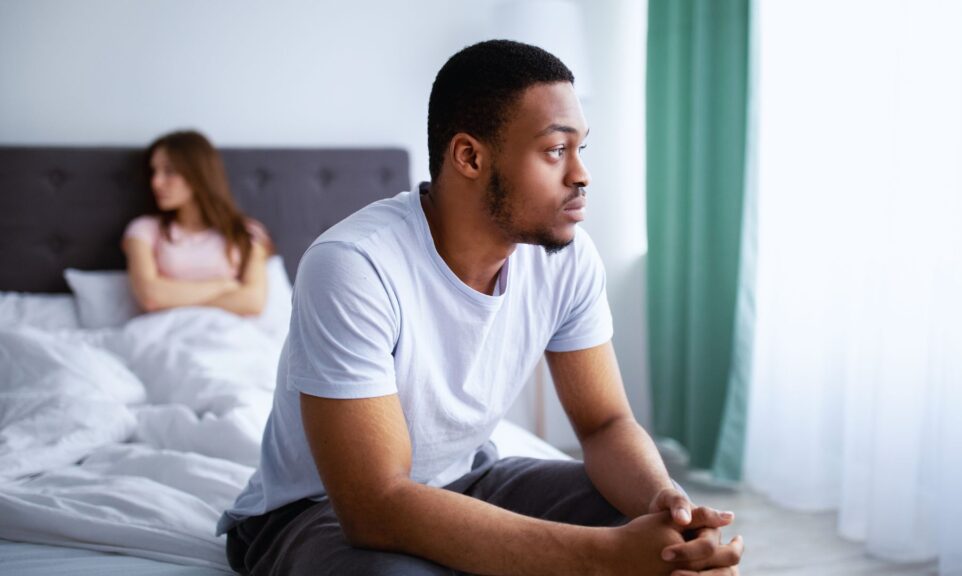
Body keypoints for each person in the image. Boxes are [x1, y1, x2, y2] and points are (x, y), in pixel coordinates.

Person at [218, 40, 744, 575]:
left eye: (582, 149)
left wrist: (666, 506)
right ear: (470, 156)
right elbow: (374, 507)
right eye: (556, 151)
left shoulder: (567, 258)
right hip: (318, 510)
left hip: (467, 480)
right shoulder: (354, 265)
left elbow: (606, 424)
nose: (581, 174)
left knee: (655, 525)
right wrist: (602, 558)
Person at [123, 130, 272, 316]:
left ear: (198, 174)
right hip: (165, 331)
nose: (156, 182)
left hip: (227, 332)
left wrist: (174, 298)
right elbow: (151, 296)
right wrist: (225, 286)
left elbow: (253, 301)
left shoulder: (247, 232)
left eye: (169, 171)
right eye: (154, 172)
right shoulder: (143, 230)